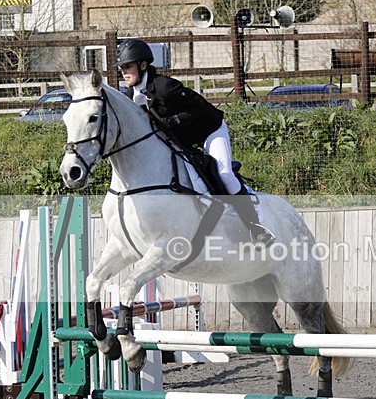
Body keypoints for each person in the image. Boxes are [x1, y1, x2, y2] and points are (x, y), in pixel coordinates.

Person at [115, 38, 275, 247]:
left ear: (143, 65)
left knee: (224, 173)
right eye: (121, 68)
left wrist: (174, 121)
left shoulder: (165, 86)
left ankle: (256, 227)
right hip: (182, 140)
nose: (123, 72)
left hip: (209, 130)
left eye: (127, 66)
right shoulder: (131, 95)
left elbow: (202, 108)